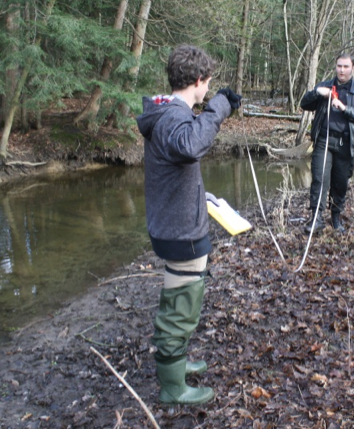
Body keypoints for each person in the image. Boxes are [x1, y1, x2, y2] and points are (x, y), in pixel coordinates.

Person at [136, 44, 241, 405]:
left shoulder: (167, 113)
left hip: (176, 224)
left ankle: (177, 364)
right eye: (207, 85)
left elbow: (177, 166)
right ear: (198, 81)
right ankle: (173, 388)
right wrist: (220, 107)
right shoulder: (173, 118)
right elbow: (191, 145)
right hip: (181, 233)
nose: (207, 90)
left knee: (181, 301)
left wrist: (202, 196)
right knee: (180, 308)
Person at [300, 53, 354, 233]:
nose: (342, 70)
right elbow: (304, 104)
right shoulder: (325, 86)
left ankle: (336, 218)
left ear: (353, 68)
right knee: (319, 179)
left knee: (340, 182)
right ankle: (316, 219)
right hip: (324, 141)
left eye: (346, 67)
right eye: (339, 66)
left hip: (346, 144)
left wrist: (344, 108)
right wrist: (317, 93)